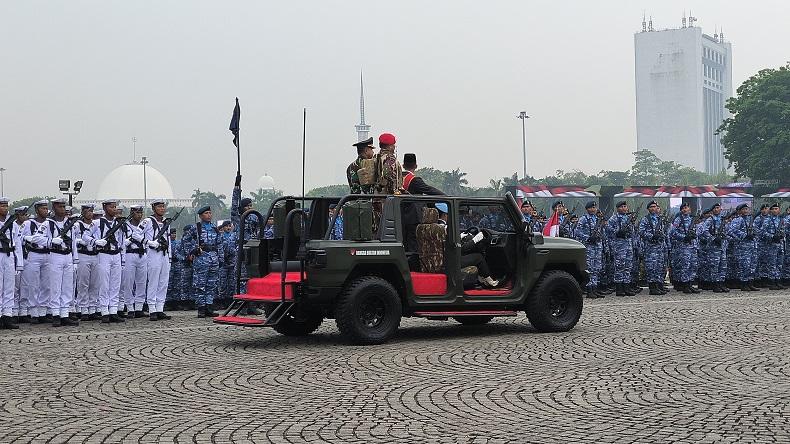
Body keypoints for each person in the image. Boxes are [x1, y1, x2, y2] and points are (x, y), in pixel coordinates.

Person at [32, 197, 79, 326]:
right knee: (55, 286)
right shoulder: (48, 223)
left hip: (68, 255)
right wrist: (50, 241)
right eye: (60, 207)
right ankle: (55, 314)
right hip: (55, 254)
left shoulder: (71, 224)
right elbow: (36, 238)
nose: (62, 209)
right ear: (54, 208)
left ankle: (64, 314)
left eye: (64, 207)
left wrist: (75, 260)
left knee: (67, 286)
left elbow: (74, 242)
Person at [435, 203, 499, 288]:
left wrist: (461, 237)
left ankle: (481, 278)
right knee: (479, 257)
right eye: (448, 215)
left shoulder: (434, 228)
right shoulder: (446, 229)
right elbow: (461, 249)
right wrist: (475, 240)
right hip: (451, 261)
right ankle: (490, 281)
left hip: (443, 259)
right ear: (444, 215)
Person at [85, 199, 126, 323]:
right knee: (104, 283)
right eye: (111, 207)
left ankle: (113, 310)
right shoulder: (97, 222)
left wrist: (122, 257)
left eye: (115, 207)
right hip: (103, 254)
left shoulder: (118, 223)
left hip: (116, 254)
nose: (114, 209)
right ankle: (104, 311)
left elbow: (122, 241)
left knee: (115, 284)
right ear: (104, 208)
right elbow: (85, 236)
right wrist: (95, 242)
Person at [182, 205, 223, 318]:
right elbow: (185, 240)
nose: (209, 215)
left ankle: (209, 307)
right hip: (201, 258)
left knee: (211, 284)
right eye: (206, 213)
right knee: (200, 284)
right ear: (200, 216)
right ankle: (201, 308)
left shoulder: (215, 228)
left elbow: (219, 244)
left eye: (210, 213)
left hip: (213, 258)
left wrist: (221, 258)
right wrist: (191, 252)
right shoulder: (196, 228)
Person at [20, 200, 52, 323]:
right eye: (43, 208)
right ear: (37, 210)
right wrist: (26, 239)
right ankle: (33, 312)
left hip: (47, 254)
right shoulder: (28, 223)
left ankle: (43, 311)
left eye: (46, 208)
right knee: (33, 284)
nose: (45, 210)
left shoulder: (50, 223)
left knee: (46, 284)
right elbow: (18, 237)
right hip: (33, 254)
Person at [140, 199, 172, 321]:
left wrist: (170, 256)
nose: (162, 209)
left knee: (163, 282)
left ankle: (160, 308)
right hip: (153, 253)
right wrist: (148, 242)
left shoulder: (166, 222)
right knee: (153, 281)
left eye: (163, 206)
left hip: (164, 254)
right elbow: (136, 235)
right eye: (159, 207)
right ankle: (152, 309)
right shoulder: (148, 221)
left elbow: (168, 241)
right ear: (154, 208)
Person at [575, 201, 607, 298]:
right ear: (587, 209)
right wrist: (588, 237)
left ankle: (595, 288)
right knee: (590, 268)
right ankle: (589, 290)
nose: (593, 209)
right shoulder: (583, 219)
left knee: (597, 268)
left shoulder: (597, 219)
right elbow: (577, 231)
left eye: (594, 207)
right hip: (589, 247)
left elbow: (602, 232)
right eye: (591, 208)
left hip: (597, 246)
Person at [120, 205, 147, 318]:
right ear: (132, 213)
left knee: (142, 282)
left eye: (141, 213)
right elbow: (121, 242)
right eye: (137, 213)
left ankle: (139, 307)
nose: (139, 215)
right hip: (129, 254)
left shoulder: (144, 225)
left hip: (142, 253)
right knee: (128, 282)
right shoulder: (125, 226)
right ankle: (130, 307)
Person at [75, 204, 100, 320]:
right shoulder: (77, 225)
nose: (90, 213)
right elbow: (72, 238)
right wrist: (81, 241)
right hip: (83, 254)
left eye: (91, 211)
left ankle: (93, 308)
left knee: (95, 283)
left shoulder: (96, 224)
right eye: (88, 211)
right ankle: (83, 308)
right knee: (83, 283)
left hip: (95, 255)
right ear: (83, 212)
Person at [668, 203, 700, 294]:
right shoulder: (678, 219)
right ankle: (685, 285)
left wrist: (695, 236)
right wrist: (683, 237)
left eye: (687, 208)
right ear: (681, 210)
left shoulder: (692, 219)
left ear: (690, 209)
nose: (685, 209)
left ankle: (690, 284)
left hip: (692, 246)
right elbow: (672, 233)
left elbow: (697, 231)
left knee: (693, 265)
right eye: (683, 208)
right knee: (685, 266)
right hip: (683, 246)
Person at [606, 201, 636, 296]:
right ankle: (619, 288)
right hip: (619, 245)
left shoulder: (628, 218)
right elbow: (608, 229)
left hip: (628, 244)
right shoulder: (614, 218)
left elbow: (632, 231)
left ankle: (626, 287)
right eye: (622, 207)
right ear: (618, 208)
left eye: (625, 206)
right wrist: (617, 232)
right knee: (619, 267)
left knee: (628, 266)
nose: (624, 208)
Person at [727, 203, 758, 291]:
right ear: (739, 211)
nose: (745, 211)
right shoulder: (738, 220)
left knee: (752, 265)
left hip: (752, 246)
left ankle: (750, 282)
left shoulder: (750, 219)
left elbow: (755, 230)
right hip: (742, 247)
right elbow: (731, 231)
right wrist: (744, 235)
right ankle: (743, 283)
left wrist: (754, 234)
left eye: (746, 209)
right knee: (744, 265)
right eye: (743, 209)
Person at [638, 200, 667, 295]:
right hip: (650, 248)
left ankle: (658, 286)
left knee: (659, 267)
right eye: (651, 207)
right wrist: (651, 236)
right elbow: (641, 231)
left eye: (655, 206)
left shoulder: (659, 219)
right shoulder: (645, 219)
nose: (653, 208)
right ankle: (652, 288)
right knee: (651, 268)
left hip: (659, 247)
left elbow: (663, 232)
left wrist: (661, 236)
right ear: (648, 209)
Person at [699, 203, 728, 293]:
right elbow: (704, 231)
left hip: (722, 246)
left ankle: (721, 283)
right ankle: (715, 284)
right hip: (713, 247)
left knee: (723, 266)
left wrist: (724, 237)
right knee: (714, 266)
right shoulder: (710, 220)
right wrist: (713, 238)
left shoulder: (722, 219)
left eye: (718, 208)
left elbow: (727, 230)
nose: (716, 210)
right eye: (715, 208)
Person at [0, 197, 20, 329]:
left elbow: (17, 243)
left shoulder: (13, 223)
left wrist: (19, 262)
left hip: (9, 255)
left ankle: (7, 315)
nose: (5, 208)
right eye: (2, 206)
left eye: (6, 206)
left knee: (9, 286)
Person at [759, 203, 786, 290]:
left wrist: (782, 236)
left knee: (779, 264)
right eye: (773, 209)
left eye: (776, 209)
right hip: (771, 245)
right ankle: (772, 282)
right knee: (772, 264)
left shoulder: (781, 220)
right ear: (770, 211)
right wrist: (772, 236)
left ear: (779, 210)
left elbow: (784, 231)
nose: (775, 210)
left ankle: (778, 280)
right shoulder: (767, 220)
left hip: (780, 245)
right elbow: (762, 232)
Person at [11, 206, 28, 325]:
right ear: (17, 215)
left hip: (25, 257)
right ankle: (13, 312)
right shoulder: (12, 226)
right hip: (13, 258)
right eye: (22, 215)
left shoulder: (27, 225)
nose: (25, 217)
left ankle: (23, 311)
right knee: (13, 288)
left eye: (25, 215)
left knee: (25, 286)